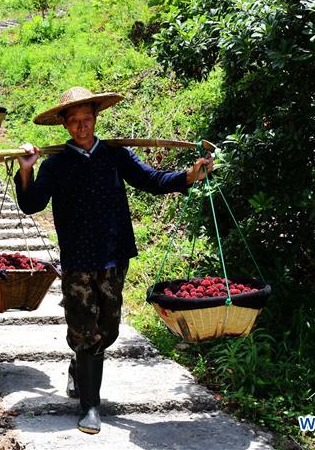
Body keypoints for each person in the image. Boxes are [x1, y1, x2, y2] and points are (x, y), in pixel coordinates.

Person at [14, 86, 214, 435]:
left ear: (96, 118)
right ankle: (91, 405)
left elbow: (150, 180)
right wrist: (27, 170)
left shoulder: (114, 155)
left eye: (86, 119)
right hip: (77, 258)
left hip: (113, 254)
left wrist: (187, 177)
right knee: (83, 328)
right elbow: (32, 205)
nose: (81, 127)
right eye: (74, 121)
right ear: (64, 124)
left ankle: (80, 369)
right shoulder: (56, 163)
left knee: (108, 329)